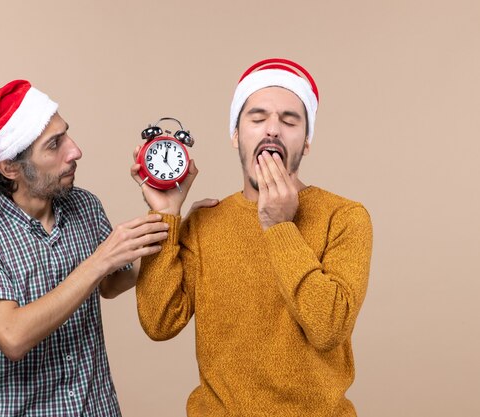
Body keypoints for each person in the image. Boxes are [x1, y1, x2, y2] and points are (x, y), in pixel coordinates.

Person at [131, 58, 373, 416]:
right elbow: (158, 321)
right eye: (257, 118)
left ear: (306, 141)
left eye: (290, 120)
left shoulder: (345, 217)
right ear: (236, 135)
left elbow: (328, 328)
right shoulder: (206, 222)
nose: (272, 129)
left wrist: (278, 227)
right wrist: (166, 213)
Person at [0, 79, 169, 416]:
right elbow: (12, 335)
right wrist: (100, 260)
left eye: (67, 135)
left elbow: (111, 282)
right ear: (9, 167)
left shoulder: (84, 205)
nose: (75, 151)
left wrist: (171, 222)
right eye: (54, 145)